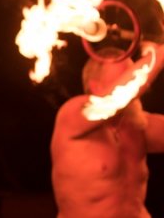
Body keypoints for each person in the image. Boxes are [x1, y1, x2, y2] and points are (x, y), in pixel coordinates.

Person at [51, 43, 164, 218]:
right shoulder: (73, 115)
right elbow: (114, 98)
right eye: (124, 78)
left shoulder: (139, 125)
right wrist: (160, 54)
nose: (136, 88)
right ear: (96, 87)